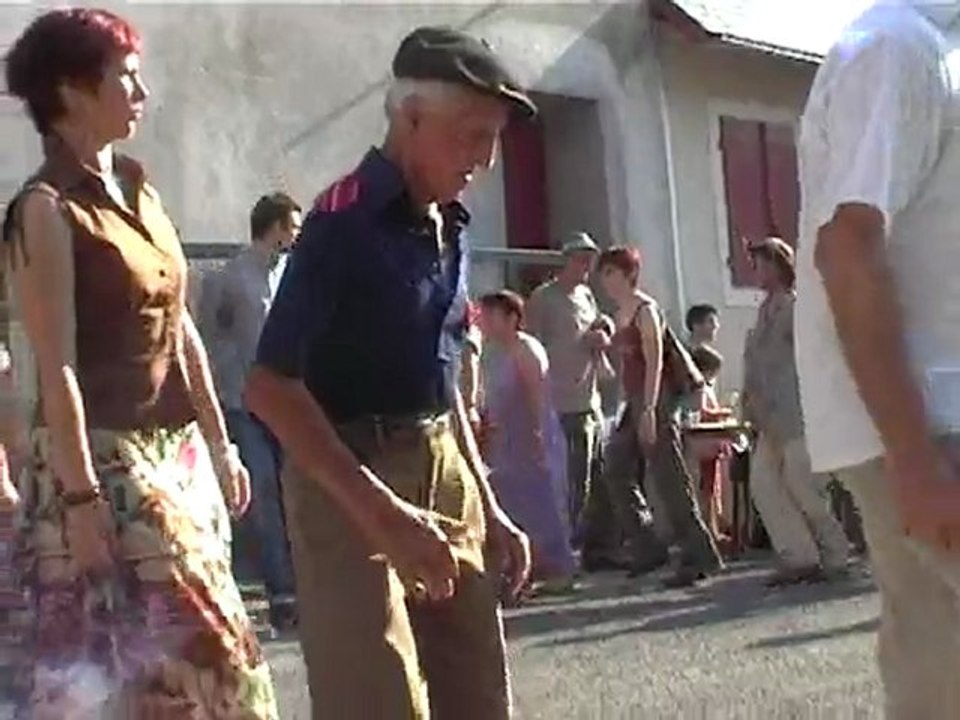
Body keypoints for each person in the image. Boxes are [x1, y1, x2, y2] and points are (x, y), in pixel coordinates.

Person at [245, 26, 533, 720]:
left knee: (477, 693)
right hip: (347, 479)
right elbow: (269, 388)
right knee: (374, 698)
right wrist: (382, 515)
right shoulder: (340, 223)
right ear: (410, 118)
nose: (486, 160)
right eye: (472, 135)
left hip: (442, 462)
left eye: (494, 139)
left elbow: (442, 372)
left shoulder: (451, 224)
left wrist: (487, 502)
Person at [1, 8, 278, 717]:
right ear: (71, 91)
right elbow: (56, 363)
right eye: (124, 76)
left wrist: (219, 443)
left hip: (175, 455)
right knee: (210, 652)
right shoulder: (46, 208)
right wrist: (80, 498)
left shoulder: (141, 191)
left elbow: (181, 326)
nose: (142, 91)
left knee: (152, 674)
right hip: (100, 458)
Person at [795, 2, 960, 715]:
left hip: (931, 422)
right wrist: (915, 460)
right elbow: (848, 248)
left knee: (937, 664)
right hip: (928, 425)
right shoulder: (896, 49)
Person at [586, 246, 723, 587]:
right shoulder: (619, 314)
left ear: (629, 274)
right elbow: (626, 367)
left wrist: (648, 409)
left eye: (612, 273)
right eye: (604, 274)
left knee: (669, 477)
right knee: (615, 467)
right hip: (634, 401)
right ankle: (647, 544)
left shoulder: (646, 311)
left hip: (655, 400)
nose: (606, 281)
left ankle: (700, 554)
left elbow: (655, 362)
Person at [201, 192, 302, 632]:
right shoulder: (230, 278)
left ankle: (302, 587)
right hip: (245, 403)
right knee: (263, 490)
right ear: (274, 228)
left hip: (287, 403)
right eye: (292, 227)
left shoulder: (290, 276)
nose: (297, 236)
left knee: (295, 492)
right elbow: (209, 336)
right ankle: (282, 594)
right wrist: (228, 382)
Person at [744, 238, 849, 587]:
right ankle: (799, 555)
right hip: (767, 415)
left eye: (762, 263)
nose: (757, 271)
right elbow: (755, 363)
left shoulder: (795, 308)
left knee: (804, 487)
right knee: (763, 483)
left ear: (778, 266)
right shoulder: (762, 313)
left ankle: (836, 552)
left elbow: (814, 358)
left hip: (796, 412)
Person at [478, 291, 576, 596]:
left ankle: (558, 569)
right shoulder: (496, 353)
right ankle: (524, 570)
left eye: (491, 316)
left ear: (511, 318)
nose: (484, 322)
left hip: (530, 438)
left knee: (542, 505)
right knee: (513, 504)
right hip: (507, 441)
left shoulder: (526, 349)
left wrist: (538, 437)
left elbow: (537, 397)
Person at [525, 232, 608, 542]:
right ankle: (564, 544)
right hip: (560, 403)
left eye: (589, 260)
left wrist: (602, 333)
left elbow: (598, 323)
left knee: (594, 477)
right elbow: (532, 345)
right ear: (566, 261)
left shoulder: (586, 295)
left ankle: (592, 545)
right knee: (568, 481)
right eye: (580, 259)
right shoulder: (544, 298)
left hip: (590, 399)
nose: (586, 266)